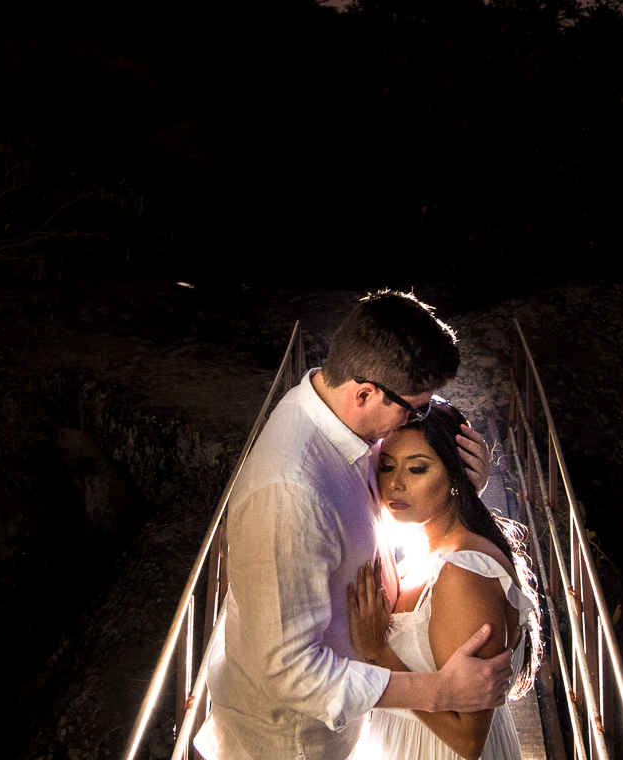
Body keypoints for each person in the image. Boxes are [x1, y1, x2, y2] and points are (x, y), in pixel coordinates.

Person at [195, 290, 511, 760]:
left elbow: (362, 518)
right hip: (293, 744)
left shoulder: (335, 421)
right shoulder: (290, 491)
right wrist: (437, 693)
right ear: (364, 392)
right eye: (411, 408)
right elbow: (289, 672)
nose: (412, 419)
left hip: (350, 725)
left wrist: (461, 490)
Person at [348, 400, 541, 760]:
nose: (395, 484)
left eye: (417, 469)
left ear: (454, 473)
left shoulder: (463, 573)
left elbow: (468, 739)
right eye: (386, 467)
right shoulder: (429, 549)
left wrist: (378, 652)